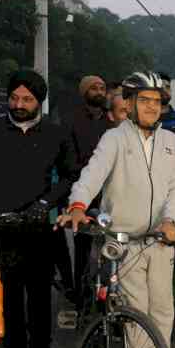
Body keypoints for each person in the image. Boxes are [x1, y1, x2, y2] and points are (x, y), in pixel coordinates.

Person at [58, 70, 175, 348]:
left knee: (162, 306)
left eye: (156, 101)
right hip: (124, 242)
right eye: (144, 100)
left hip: (160, 241)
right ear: (129, 104)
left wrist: (170, 219)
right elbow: (93, 174)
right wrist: (77, 204)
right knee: (136, 308)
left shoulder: (171, 142)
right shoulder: (114, 138)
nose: (151, 107)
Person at [0, 70, 78, 348]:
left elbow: (71, 176)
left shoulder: (56, 134)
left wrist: (45, 204)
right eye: (15, 98)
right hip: (2, 228)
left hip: (40, 227)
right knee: (11, 297)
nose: (19, 104)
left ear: (39, 102)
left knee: (41, 294)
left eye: (27, 99)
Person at [66, 75, 112, 311]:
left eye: (102, 88)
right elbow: (68, 161)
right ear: (84, 91)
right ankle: (81, 299)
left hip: (108, 196)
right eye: (94, 87)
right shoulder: (72, 120)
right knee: (83, 250)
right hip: (82, 195)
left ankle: (108, 302)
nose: (99, 91)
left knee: (111, 251)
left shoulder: (111, 123)